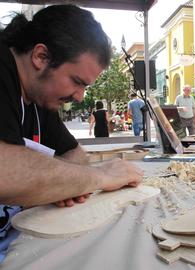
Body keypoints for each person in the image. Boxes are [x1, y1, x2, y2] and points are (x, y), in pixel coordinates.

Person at [0, 5, 142, 261]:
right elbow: (5, 172)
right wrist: (98, 177)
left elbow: (73, 152)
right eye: (77, 82)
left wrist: (62, 183)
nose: (79, 96)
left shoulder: (38, 94)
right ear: (41, 57)